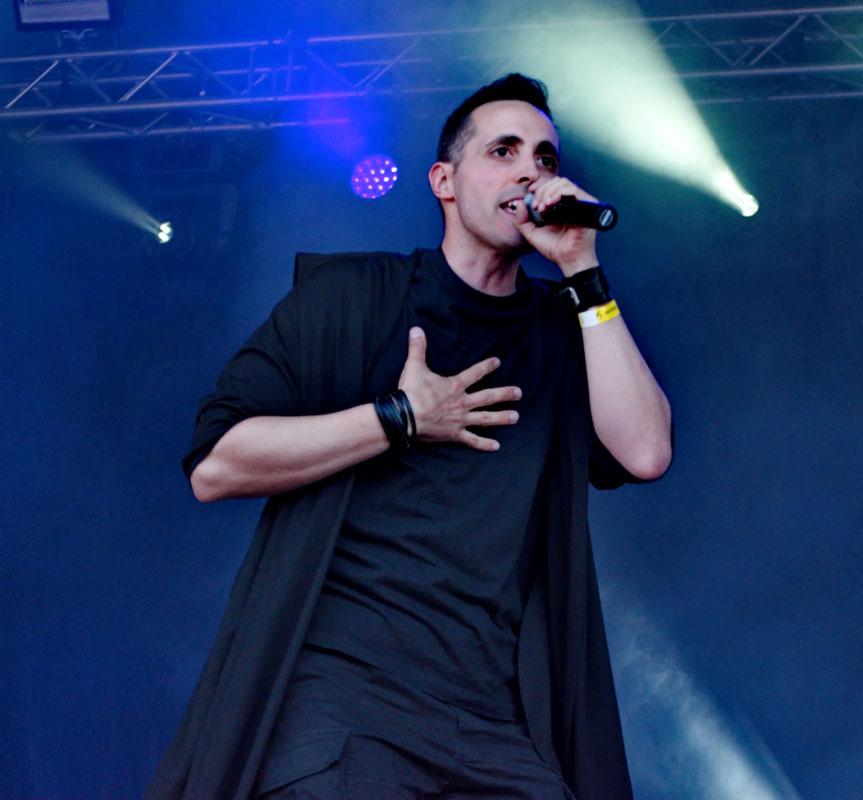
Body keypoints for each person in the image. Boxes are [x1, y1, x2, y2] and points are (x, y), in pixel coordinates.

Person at [145, 74, 672, 800]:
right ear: (443, 181)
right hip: (347, 705)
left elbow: (646, 453)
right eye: (504, 151)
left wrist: (583, 271)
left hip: (495, 722)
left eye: (545, 158)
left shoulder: (561, 328)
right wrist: (397, 418)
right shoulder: (354, 299)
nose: (530, 172)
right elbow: (216, 465)